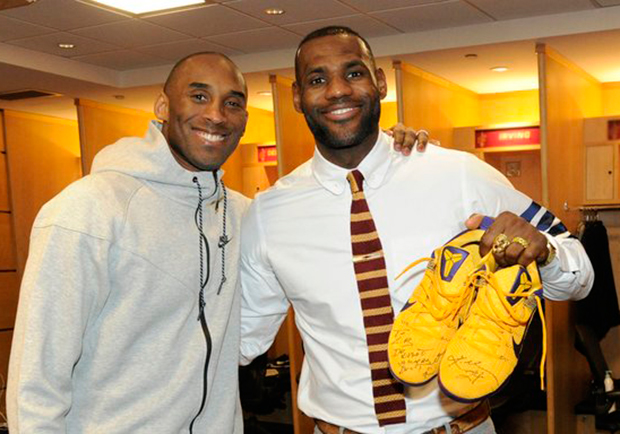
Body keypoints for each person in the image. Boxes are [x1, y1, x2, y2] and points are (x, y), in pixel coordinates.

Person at [6, 51, 427, 432]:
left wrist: (390, 154)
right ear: (162, 107)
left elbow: (324, 213)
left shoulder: (248, 214)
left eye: (232, 102)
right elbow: (36, 381)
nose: (217, 116)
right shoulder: (88, 210)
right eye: (199, 97)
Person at [239, 26, 594, 434]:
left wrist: (546, 253)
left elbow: (579, 275)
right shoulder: (269, 213)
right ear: (298, 98)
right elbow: (242, 338)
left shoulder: (457, 173)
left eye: (354, 73)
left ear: (381, 83)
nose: (337, 90)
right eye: (318, 79)